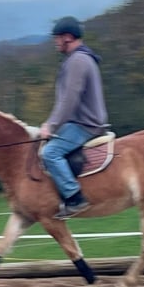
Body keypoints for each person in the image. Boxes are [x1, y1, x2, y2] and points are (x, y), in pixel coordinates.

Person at [40, 16, 108, 220]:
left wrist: (51, 126)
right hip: (78, 122)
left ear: (68, 37)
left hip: (85, 125)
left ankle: (75, 197)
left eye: (57, 38)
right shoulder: (79, 59)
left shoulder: (77, 61)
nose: (55, 42)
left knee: (50, 153)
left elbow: (68, 101)